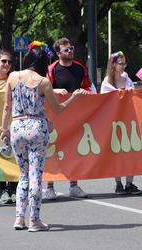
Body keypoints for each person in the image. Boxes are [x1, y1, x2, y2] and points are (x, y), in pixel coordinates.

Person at [0, 41, 88, 231]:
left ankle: (19, 218)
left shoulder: (13, 77)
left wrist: (4, 128)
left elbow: (7, 106)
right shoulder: (43, 82)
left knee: (22, 175)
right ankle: (34, 220)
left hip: (17, 126)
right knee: (35, 176)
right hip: (37, 128)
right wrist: (74, 97)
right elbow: (58, 109)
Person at [44, 37, 95, 200]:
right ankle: (49, 187)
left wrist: (87, 91)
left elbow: (88, 85)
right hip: (56, 114)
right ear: (58, 53)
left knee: (74, 150)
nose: (70, 51)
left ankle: (74, 185)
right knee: (53, 149)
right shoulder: (52, 69)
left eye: (71, 48)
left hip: (75, 115)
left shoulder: (80, 67)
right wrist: (57, 90)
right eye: (66, 49)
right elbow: (46, 89)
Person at [100, 51, 141, 195]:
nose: (123, 66)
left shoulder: (126, 78)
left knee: (131, 150)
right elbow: (104, 101)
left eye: (125, 63)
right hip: (115, 120)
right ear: (113, 65)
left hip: (129, 118)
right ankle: (118, 183)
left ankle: (129, 183)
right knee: (116, 152)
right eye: (120, 63)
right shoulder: (107, 82)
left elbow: (134, 96)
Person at [0, 50, 18, 204]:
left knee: (14, 155)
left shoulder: (13, 81)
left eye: (9, 62)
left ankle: (14, 189)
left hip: (13, 123)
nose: (7, 64)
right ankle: (1, 191)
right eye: (4, 61)